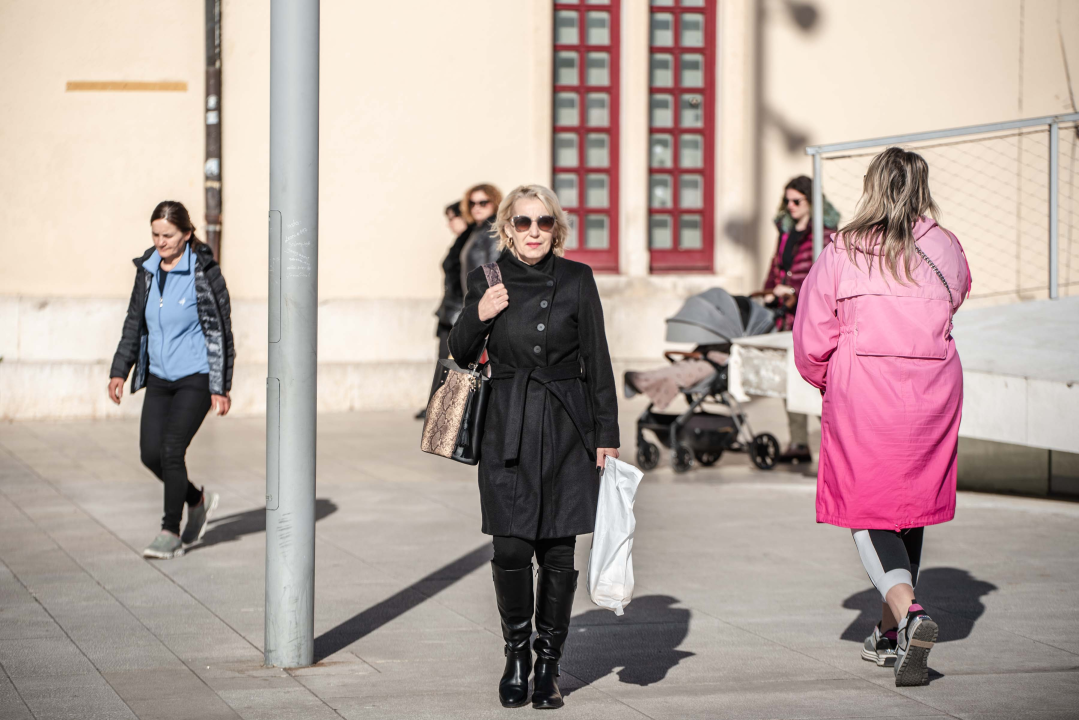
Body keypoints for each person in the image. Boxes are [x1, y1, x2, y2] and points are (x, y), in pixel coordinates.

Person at [793, 148, 972, 687]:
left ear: (872, 187)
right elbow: (957, 295)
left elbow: (811, 335)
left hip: (865, 390)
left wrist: (829, 379)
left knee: (867, 506)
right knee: (909, 505)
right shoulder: (945, 246)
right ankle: (890, 633)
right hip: (934, 388)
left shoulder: (843, 249)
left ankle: (910, 614)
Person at [449, 184, 619, 709]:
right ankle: (516, 655)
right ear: (507, 228)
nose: (534, 232)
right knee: (511, 547)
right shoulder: (488, 278)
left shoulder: (577, 278)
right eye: (523, 222)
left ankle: (548, 663)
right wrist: (480, 313)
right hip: (508, 423)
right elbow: (459, 350)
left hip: (567, 424)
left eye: (544, 222)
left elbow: (597, 357)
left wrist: (607, 434)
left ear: (556, 228)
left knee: (559, 551)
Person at [108, 201, 235, 560]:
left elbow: (220, 331)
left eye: (168, 235)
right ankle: (197, 500)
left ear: (187, 234)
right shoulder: (148, 270)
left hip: (196, 377)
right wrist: (120, 370)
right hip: (160, 378)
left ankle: (170, 531)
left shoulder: (204, 272)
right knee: (151, 455)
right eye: (155, 235)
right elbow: (134, 321)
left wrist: (220, 386)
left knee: (171, 451)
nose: (161, 242)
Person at [760, 175, 839, 465]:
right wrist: (769, 292)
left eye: (797, 200)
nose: (791, 206)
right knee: (789, 380)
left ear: (811, 201)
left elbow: (825, 277)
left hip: (813, 321)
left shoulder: (826, 235)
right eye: (787, 201)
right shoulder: (785, 233)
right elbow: (775, 269)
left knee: (818, 382)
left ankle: (836, 441)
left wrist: (794, 291)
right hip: (786, 320)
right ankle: (798, 442)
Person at [416, 200, 473, 419]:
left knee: (450, 362)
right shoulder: (462, 241)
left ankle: (441, 408)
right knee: (444, 361)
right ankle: (437, 405)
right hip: (450, 309)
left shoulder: (471, 240)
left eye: (452, 218)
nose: (449, 224)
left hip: (458, 311)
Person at [458, 183, 502, 295]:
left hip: (485, 300)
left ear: (494, 203)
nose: (476, 207)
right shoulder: (478, 230)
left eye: (483, 203)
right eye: (472, 203)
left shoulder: (492, 230)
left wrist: (492, 301)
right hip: (475, 299)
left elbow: (495, 274)